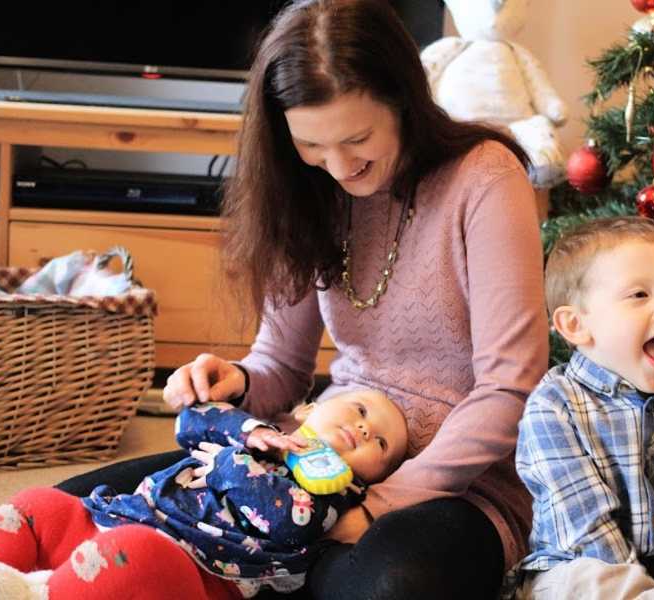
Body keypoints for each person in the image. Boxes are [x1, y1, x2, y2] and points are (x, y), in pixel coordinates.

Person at [57, 1, 549, 598]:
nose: (339, 167)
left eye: (358, 138)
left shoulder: (485, 178)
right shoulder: (306, 188)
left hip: (462, 486)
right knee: (73, 509)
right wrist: (234, 381)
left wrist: (383, 502)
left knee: (389, 583)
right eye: (312, 145)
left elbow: (509, 386)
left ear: (404, 100)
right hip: (310, 460)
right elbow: (281, 368)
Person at [0, 388, 408, 599]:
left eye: (382, 444)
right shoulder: (253, 433)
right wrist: (248, 431)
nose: (366, 428)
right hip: (120, 517)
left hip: (186, 570)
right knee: (38, 504)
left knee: (133, 557)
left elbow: (279, 518)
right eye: (361, 409)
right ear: (310, 409)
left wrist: (225, 462)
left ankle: (34, 594)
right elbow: (189, 423)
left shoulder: (329, 499)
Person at [513, 216, 654, 600]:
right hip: (578, 568)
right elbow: (588, 531)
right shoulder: (553, 408)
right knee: (578, 584)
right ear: (576, 325)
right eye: (639, 295)